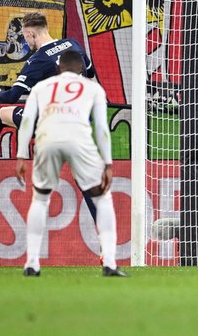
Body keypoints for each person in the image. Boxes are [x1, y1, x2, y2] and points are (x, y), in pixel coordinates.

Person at [0, 12, 100, 218]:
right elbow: (91, 73)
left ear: (31, 33)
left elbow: (12, 96)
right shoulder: (73, 44)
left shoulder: (37, 60)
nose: (25, 41)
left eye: (25, 36)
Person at [15, 50, 126, 277]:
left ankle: (32, 263)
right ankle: (110, 263)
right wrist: (107, 162)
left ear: (58, 69)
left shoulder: (41, 88)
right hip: (79, 141)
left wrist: (20, 155)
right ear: (82, 70)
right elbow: (102, 129)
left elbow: (27, 121)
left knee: (40, 199)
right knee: (103, 199)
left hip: (47, 139)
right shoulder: (93, 88)